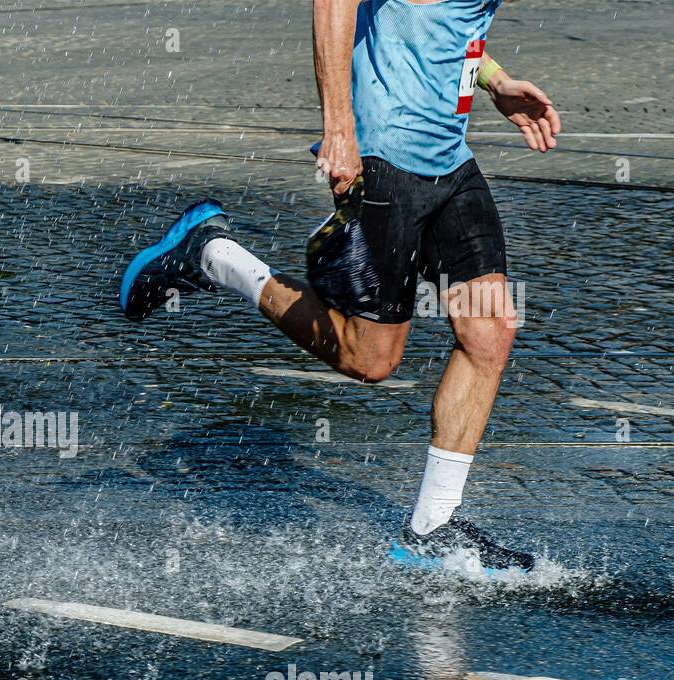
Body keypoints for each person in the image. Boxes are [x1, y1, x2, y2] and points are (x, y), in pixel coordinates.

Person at [119, 0, 561, 572]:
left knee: (490, 331)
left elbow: (428, 24)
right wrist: (340, 129)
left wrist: (494, 80)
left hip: (449, 163)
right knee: (369, 359)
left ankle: (432, 528)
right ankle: (213, 256)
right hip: (384, 160)